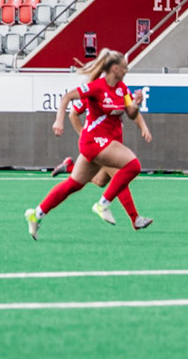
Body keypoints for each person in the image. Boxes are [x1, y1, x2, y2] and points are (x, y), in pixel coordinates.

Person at [26, 49, 152, 238]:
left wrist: (136, 104)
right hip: (93, 142)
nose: (126, 71)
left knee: (75, 185)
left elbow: (131, 113)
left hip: (106, 144)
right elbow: (67, 98)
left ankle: (37, 215)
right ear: (115, 68)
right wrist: (58, 120)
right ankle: (105, 206)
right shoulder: (96, 87)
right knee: (132, 165)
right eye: (124, 68)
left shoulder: (122, 89)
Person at [50, 53, 153, 200]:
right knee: (119, 176)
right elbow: (73, 113)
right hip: (99, 144)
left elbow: (131, 109)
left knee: (100, 181)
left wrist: (143, 126)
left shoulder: (120, 89)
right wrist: (83, 134)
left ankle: (69, 167)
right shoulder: (94, 91)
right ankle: (134, 218)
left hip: (112, 142)